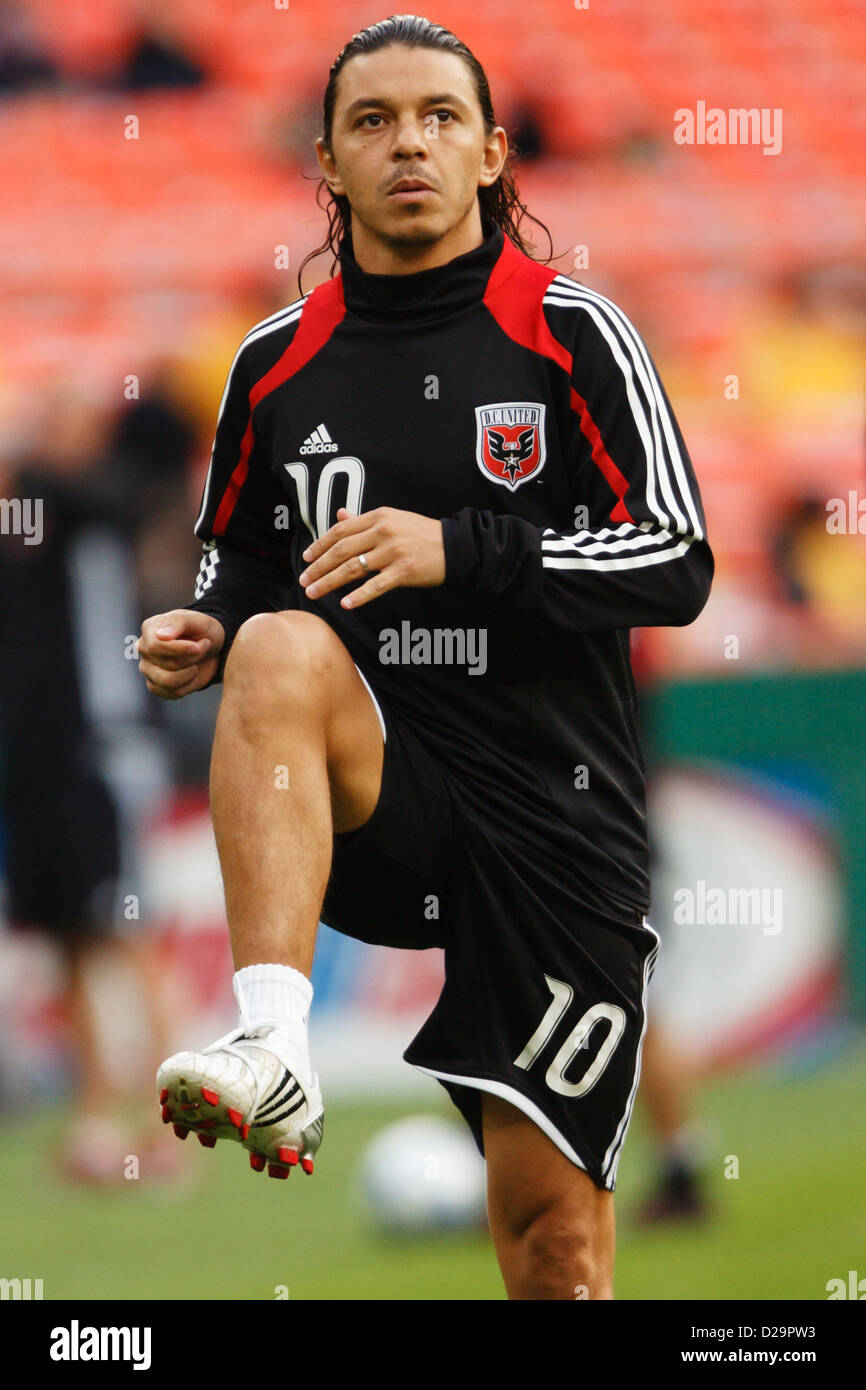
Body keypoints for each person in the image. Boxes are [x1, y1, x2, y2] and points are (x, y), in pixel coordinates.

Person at [138, 15, 713, 1299]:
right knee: (279, 646)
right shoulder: (272, 363)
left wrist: (464, 550)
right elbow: (242, 567)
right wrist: (207, 632)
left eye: (440, 118)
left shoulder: (574, 336)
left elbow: (674, 560)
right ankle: (273, 1043)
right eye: (374, 121)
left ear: (493, 152)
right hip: (382, 796)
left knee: (551, 1245)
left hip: (554, 819)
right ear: (327, 164)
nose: (410, 143)